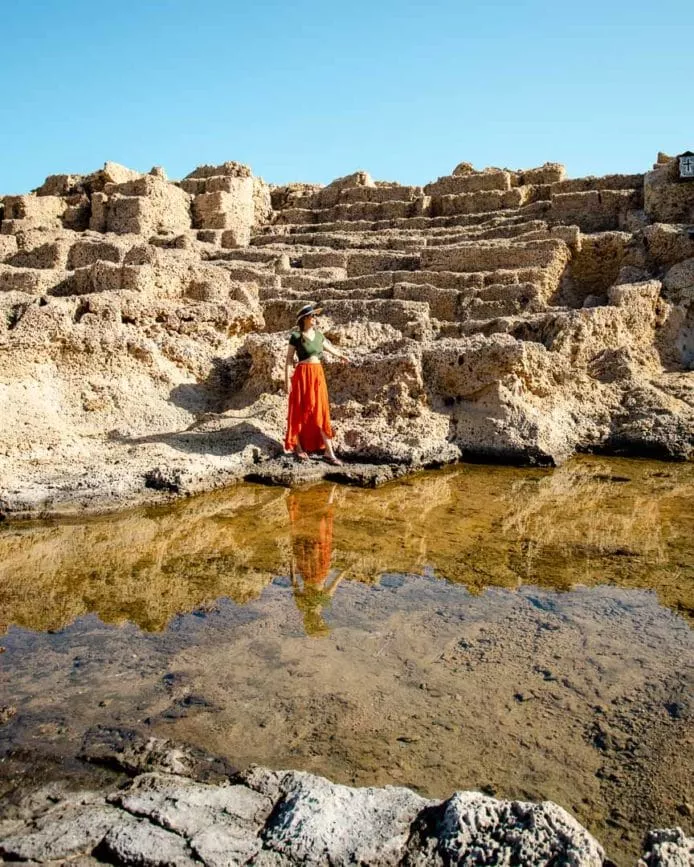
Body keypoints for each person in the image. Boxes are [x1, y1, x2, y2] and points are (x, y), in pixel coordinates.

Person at [284, 303, 350, 465]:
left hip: (317, 374)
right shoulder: (296, 336)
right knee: (299, 409)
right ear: (305, 318)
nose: (315, 318)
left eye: (315, 316)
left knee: (320, 409)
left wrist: (342, 356)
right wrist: (287, 381)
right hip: (302, 374)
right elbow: (288, 360)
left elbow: (329, 348)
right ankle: (298, 447)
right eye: (313, 316)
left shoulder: (319, 336)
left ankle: (329, 452)